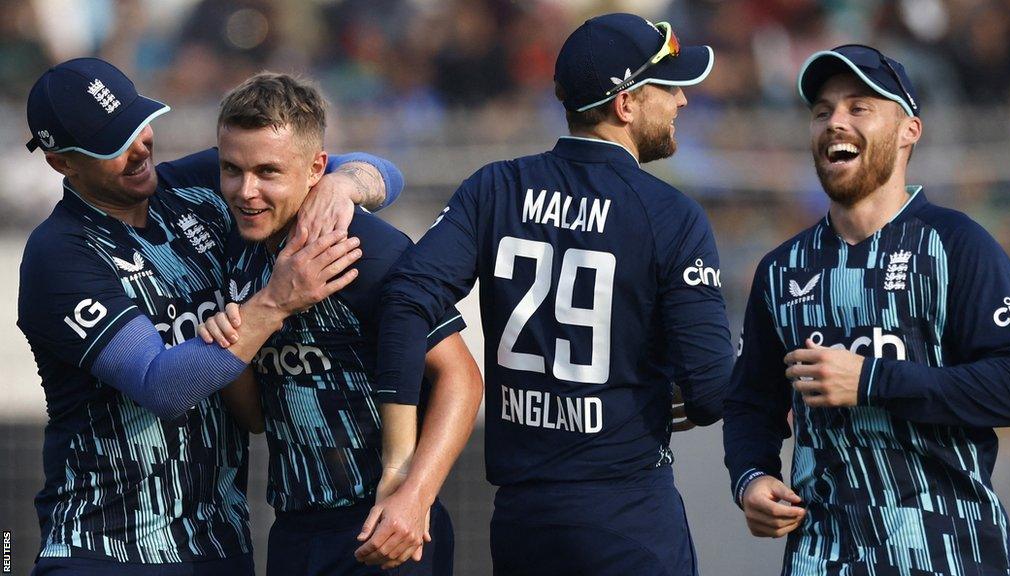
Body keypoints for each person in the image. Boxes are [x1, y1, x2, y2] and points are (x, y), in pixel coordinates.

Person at [366, 13, 734, 576]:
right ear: (625, 104)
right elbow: (710, 393)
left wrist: (400, 468)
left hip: (523, 521)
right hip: (627, 515)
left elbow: (404, 301)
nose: (682, 101)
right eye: (668, 86)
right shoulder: (671, 215)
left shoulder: (495, 187)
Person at [18, 58, 403, 576]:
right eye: (111, 144)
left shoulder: (194, 188)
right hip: (106, 547)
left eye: (138, 125)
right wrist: (274, 303)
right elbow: (163, 388)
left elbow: (378, 170)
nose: (138, 150)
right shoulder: (59, 256)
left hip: (217, 544)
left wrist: (342, 185)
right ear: (62, 163)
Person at [722, 44, 1010, 575]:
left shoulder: (959, 246)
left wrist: (872, 380)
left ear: (909, 130)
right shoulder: (780, 270)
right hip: (823, 556)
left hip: (950, 550)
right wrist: (752, 477)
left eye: (859, 107)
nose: (835, 121)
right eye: (822, 111)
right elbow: (750, 402)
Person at [196, 73, 483, 576]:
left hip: (383, 527)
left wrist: (414, 495)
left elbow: (461, 377)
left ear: (316, 169)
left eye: (268, 171)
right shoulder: (235, 249)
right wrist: (229, 348)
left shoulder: (360, 249)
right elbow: (257, 420)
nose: (247, 191)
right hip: (293, 530)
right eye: (231, 169)